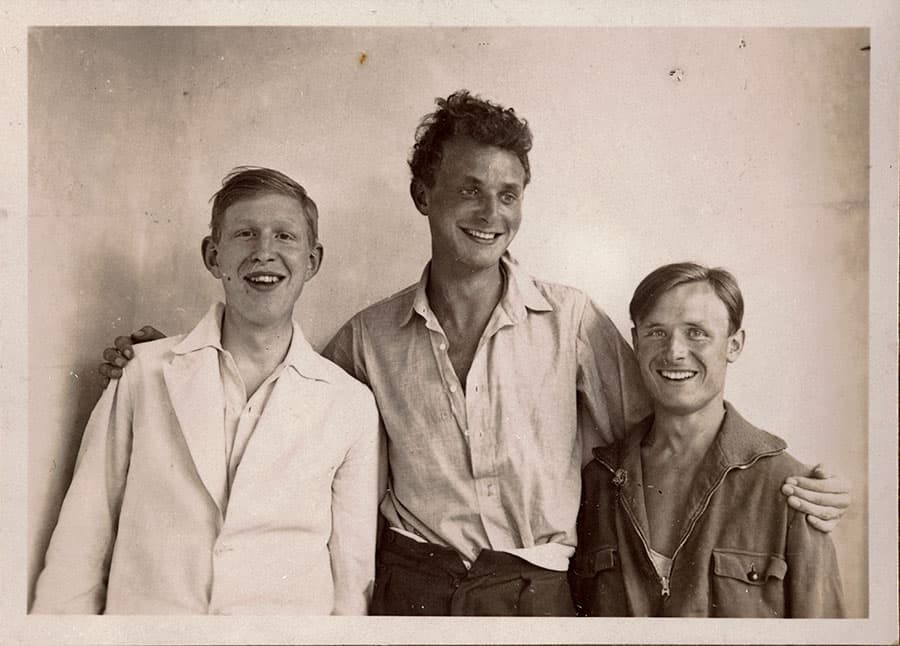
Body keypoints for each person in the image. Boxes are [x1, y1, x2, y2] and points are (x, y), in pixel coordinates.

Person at [97, 91, 850, 616]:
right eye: (469, 190)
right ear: (424, 193)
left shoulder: (570, 321)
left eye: (510, 193)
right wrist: (180, 356)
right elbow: (287, 401)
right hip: (409, 596)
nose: (491, 214)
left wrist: (789, 483)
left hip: (539, 599)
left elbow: (668, 433)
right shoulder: (367, 337)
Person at [33, 167, 380, 615]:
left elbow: (352, 584)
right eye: (245, 234)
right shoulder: (143, 372)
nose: (264, 252)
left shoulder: (349, 405)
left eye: (285, 237)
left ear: (312, 261)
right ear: (212, 256)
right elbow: (81, 541)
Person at [571, 263, 845, 617]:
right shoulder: (598, 482)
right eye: (656, 332)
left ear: (734, 345)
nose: (674, 351)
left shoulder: (789, 489)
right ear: (636, 342)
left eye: (696, 333)